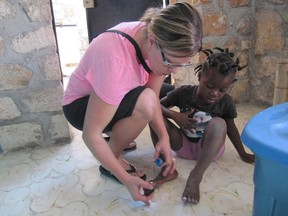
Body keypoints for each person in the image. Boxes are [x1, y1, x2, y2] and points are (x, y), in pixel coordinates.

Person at [62, 2, 203, 205]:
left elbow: (153, 100)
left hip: (109, 93)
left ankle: (117, 137)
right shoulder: (116, 60)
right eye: (172, 63)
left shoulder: (151, 34)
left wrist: (163, 137)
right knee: (143, 101)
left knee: (154, 96)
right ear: (153, 41)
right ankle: (112, 158)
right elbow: (91, 135)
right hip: (79, 106)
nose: (176, 71)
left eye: (181, 64)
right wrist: (126, 179)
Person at [150, 47, 255, 204]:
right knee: (153, 115)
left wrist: (242, 152)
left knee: (220, 123)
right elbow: (155, 105)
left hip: (209, 150)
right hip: (183, 145)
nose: (215, 93)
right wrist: (175, 116)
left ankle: (195, 176)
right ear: (200, 77)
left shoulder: (226, 103)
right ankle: (166, 169)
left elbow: (231, 129)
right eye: (209, 86)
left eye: (222, 90)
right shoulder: (183, 93)